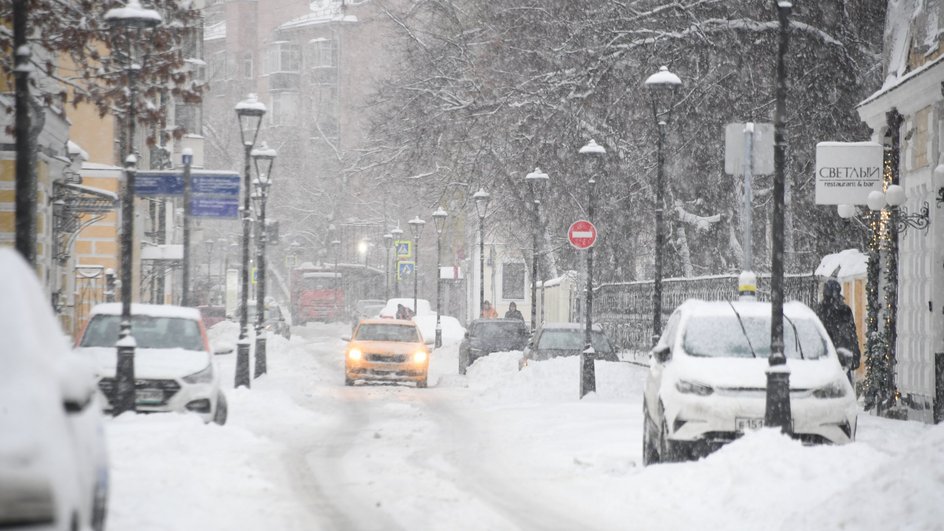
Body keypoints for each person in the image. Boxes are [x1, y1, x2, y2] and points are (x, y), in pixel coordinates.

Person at [815, 279, 861, 382]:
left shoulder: (821, 310)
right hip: (842, 356)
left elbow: (816, 335)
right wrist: (855, 352)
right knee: (844, 386)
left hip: (828, 358)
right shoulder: (844, 310)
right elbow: (852, 333)